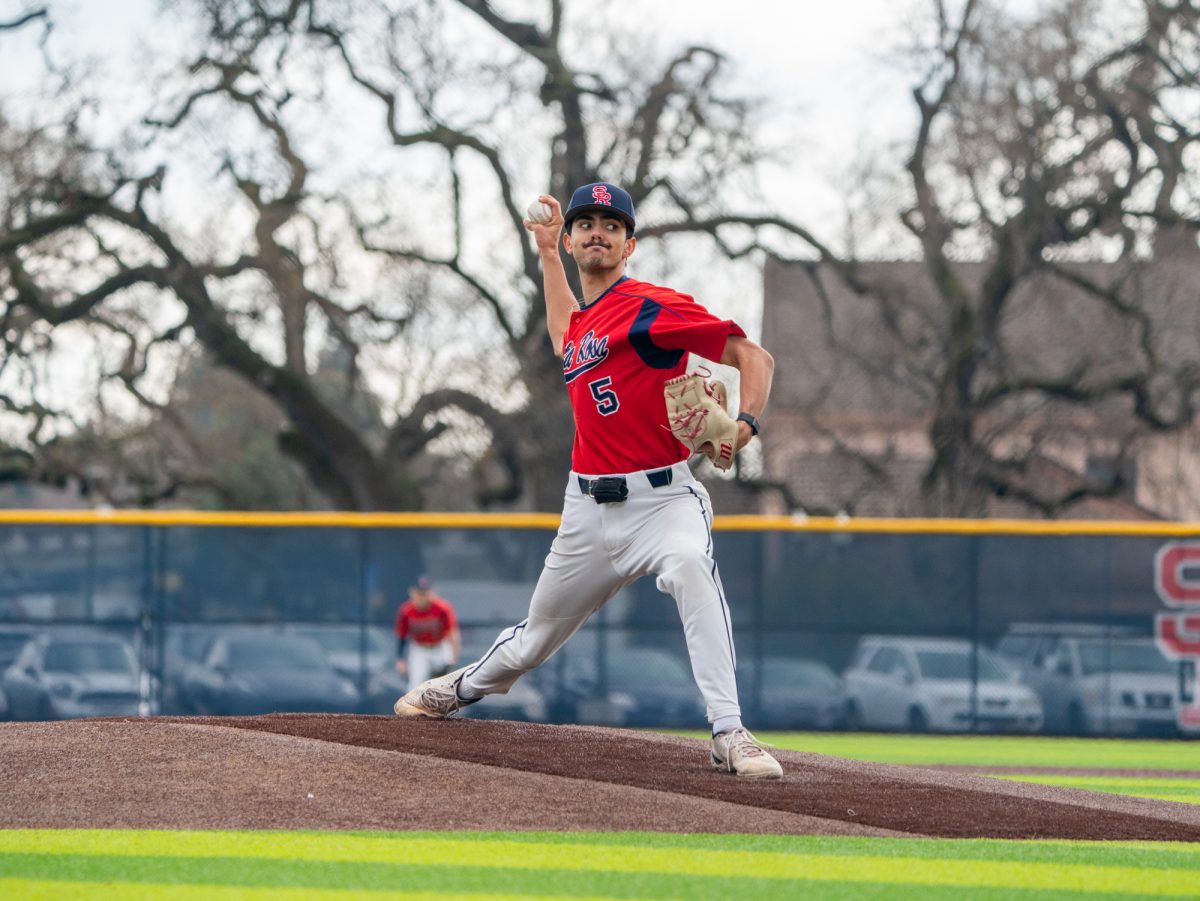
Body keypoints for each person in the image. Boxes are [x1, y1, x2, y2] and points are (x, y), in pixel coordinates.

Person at [394, 182, 781, 779]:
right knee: (533, 641)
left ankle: (729, 731)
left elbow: (754, 358)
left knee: (689, 569)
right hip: (586, 509)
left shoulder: (653, 306)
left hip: (663, 502)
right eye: (585, 223)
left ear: (630, 243)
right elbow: (561, 331)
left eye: (610, 223)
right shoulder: (583, 328)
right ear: (574, 240)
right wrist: (547, 254)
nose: (597, 231)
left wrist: (748, 425)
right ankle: (462, 687)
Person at [393, 576, 461, 688]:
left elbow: (452, 633)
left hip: (440, 647)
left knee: (448, 683)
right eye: (419, 593)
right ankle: (413, 705)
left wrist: (454, 656)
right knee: (415, 685)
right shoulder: (406, 611)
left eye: (425, 593)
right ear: (412, 593)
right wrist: (400, 659)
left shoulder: (442, 608)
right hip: (419, 649)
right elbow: (402, 636)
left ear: (432, 593)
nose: (422, 597)